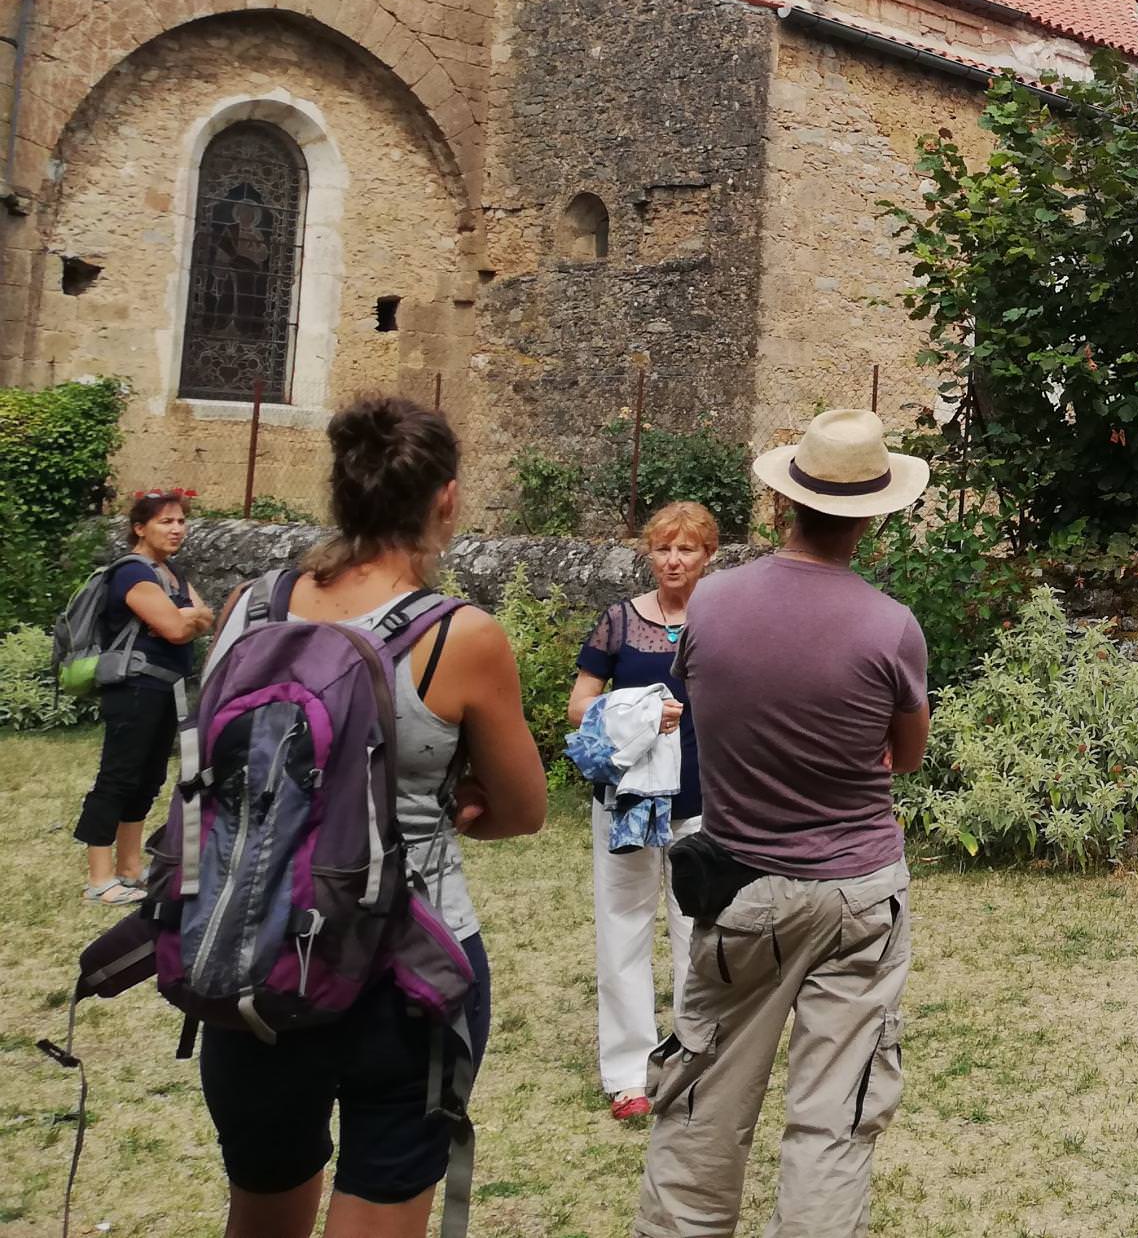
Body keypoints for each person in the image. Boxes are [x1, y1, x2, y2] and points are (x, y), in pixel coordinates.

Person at [198, 396, 548, 1238]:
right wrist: (455, 806)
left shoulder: (249, 607)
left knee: (260, 1210)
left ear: (341, 490)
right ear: (447, 499)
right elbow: (523, 810)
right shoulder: (458, 636)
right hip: (406, 964)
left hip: (255, 950)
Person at [634, 409, 932, 1238]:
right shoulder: (891, 627)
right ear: (871, 517)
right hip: (860, 893)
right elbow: (906, 757)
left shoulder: (713, 603)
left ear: (785, 502)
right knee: (835, 1121)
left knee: (701, 1105)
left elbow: (703, 703)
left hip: (743, 886)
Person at [570, 500, 719, 1120]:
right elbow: (579, 705)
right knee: (623, 932)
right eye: (663, 548)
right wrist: (639, 710)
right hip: (628, 802)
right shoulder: (619, 622)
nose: (673, 560)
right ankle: (629, 1075)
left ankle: (693, 1065)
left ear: (708, 556)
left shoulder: (723, 622)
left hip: (703, 802)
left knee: (700, 935)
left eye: (686, 549)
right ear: (648, 553)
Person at [75, 487, 214, 904]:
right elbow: (175, 630)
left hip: (165, 687)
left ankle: (130, 868)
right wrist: (182, 619)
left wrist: (186, 616)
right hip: (134, 687)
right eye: (165, 521)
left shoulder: (173, 573)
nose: (177, 529)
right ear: (140, 528)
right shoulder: (133, 573)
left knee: (148, 778)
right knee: (118, 778)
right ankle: (100, 880)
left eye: (181, 521)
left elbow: (205, 618)